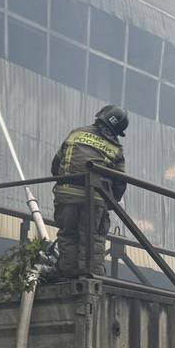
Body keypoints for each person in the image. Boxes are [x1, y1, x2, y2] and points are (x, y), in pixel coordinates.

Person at [50, 105, 128, 277]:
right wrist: (110, 201)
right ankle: (92, 277)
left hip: (66, 196)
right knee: (93, 239)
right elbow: (120, 184)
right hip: (95, 200)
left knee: (68, 235)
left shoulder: (75, 133)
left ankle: (67, 275)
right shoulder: (116, 149)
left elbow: (55, 166)